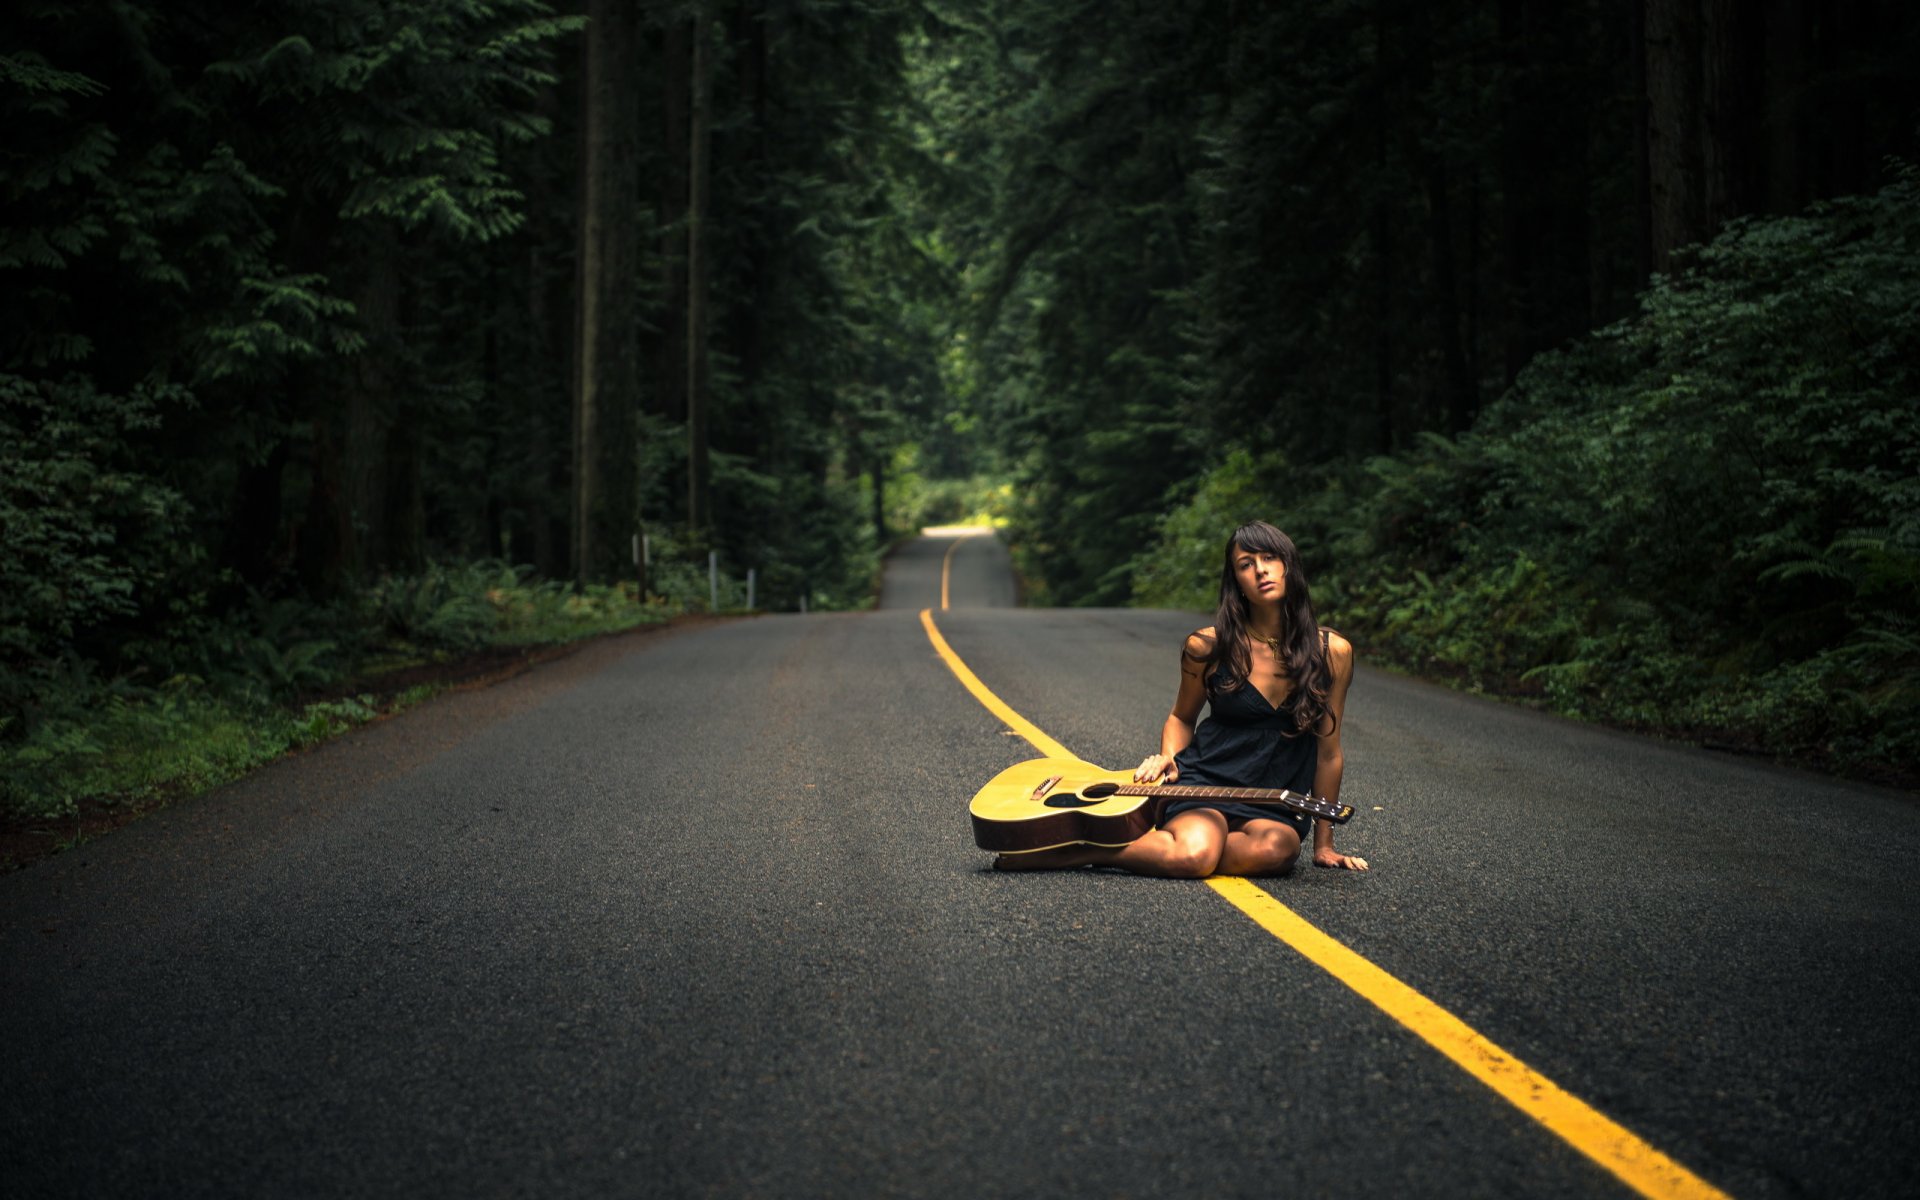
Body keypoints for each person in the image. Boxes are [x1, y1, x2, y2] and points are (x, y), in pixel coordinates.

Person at [996, 521, 1368, 876]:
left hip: (1271, 801)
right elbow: (1181, 718)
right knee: (1194, 855)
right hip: (1204, 781)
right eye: (1246, 564)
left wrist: (1324, 844)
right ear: (1235, 581)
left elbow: (1328, 752)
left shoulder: (1332, 652)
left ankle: (1163, 847)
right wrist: (1168, 761)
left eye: (1270, 558)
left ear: (1290, 566)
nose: (1260, 570)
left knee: (1277, 852)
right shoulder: (1209, 646)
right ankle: (1079, 851)